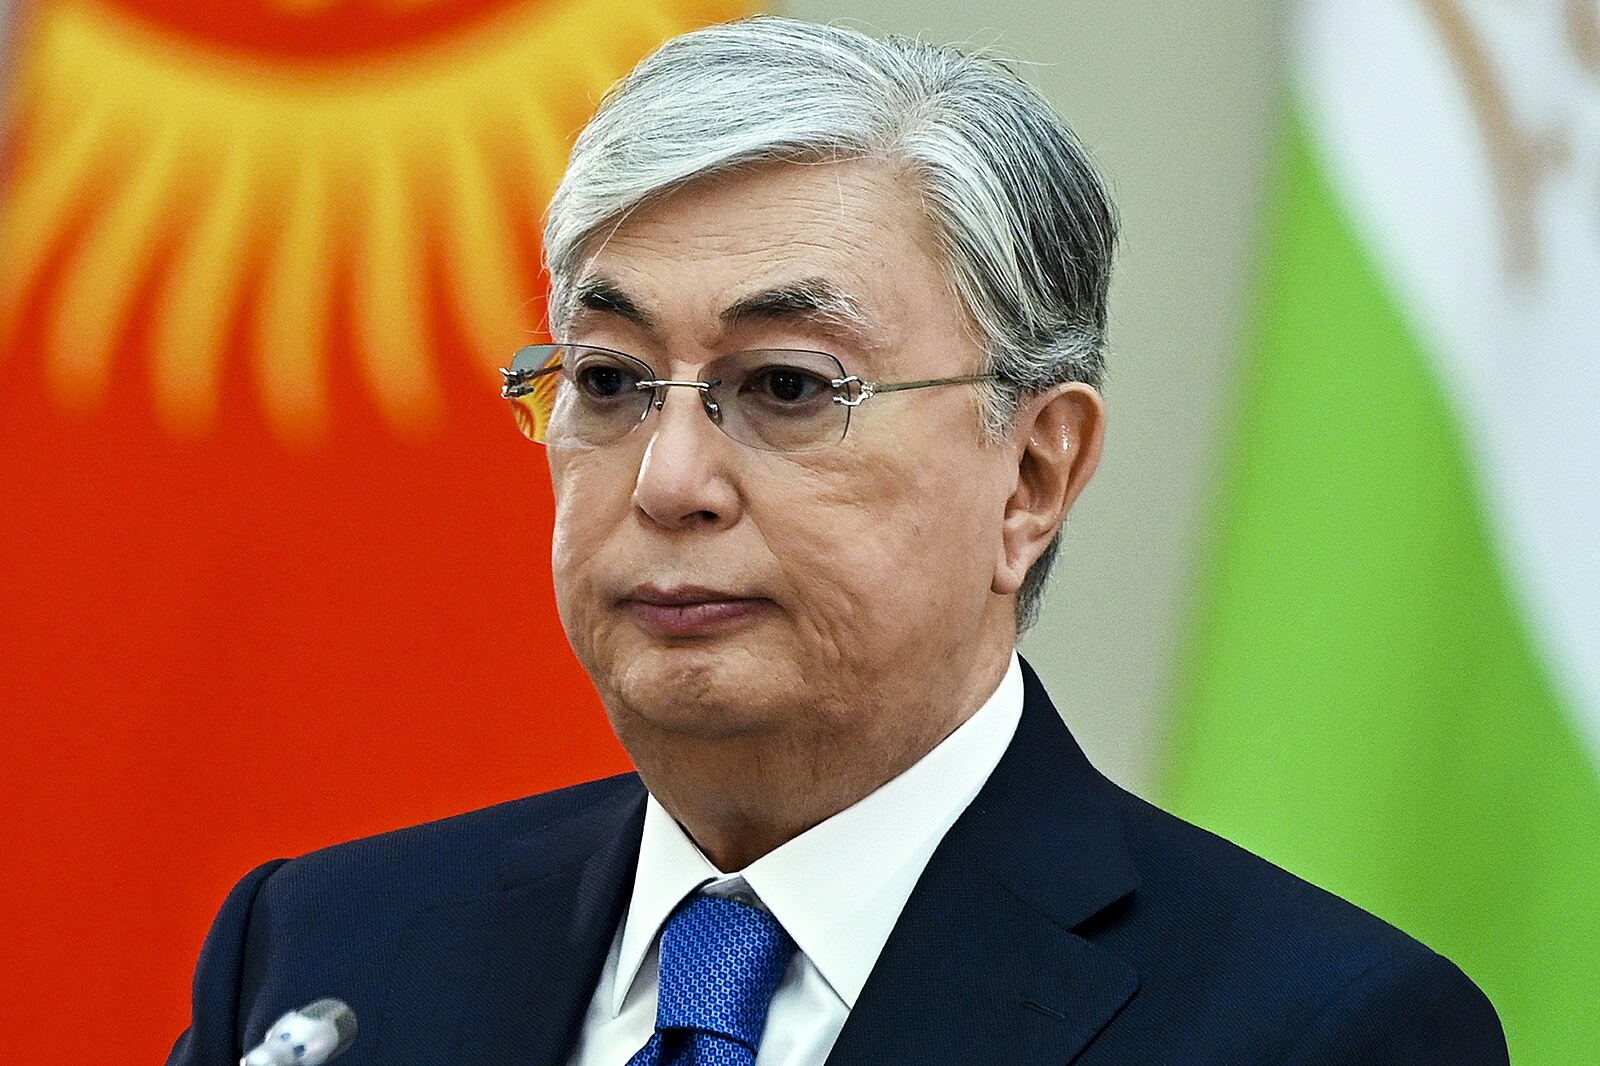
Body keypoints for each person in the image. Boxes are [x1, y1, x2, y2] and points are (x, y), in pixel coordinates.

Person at [169, 17, 1508, 1066]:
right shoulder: (323, 965)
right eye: (612, 381)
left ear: (1033, 474)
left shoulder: (1315, 1029)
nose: (669, 481)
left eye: (787, 386)